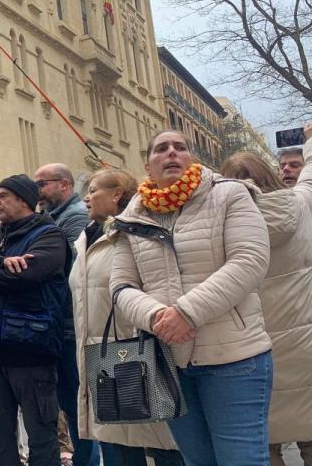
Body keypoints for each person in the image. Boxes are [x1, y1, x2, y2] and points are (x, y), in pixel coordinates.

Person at [109, 130, 272, 464]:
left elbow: (249, 260)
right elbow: (121, 286)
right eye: (161, 149)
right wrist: (156, 317)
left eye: (180, 147)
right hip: (168, 360)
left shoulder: (229, 195)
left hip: (234, 357)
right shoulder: (131, 217)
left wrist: (185, 313)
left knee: (242, 459)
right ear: (148, 165)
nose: (171, 153)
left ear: (191, 159)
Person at [221, 125, 312, 464]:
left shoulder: (216, 228)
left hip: (251, 352)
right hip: (311, 351)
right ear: (270, 177)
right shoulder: (300, 209)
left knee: (264, 444)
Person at [70, 169, 180, 466]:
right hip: (101, 358)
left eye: (93, 190)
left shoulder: (138, 231)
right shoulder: (87, 238)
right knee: (117, 447)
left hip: (137, 357)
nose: (86, 198)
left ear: (117, 194)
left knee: (161, 445)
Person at [0, 175, 69, 466]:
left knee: (41, 436)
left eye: (3, 196)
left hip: (32, 351)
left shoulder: (49, 234)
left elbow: (27, 272)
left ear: (23, 200)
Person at [32, 162, 93, 466]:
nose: (37, 189)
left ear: (64, 185)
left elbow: (65, 268)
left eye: (42, 184)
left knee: (80, 400)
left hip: (71, 322)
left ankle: (87, 460)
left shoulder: (76, 216)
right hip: (60, 323)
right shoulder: (51, 217)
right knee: (69, 401)